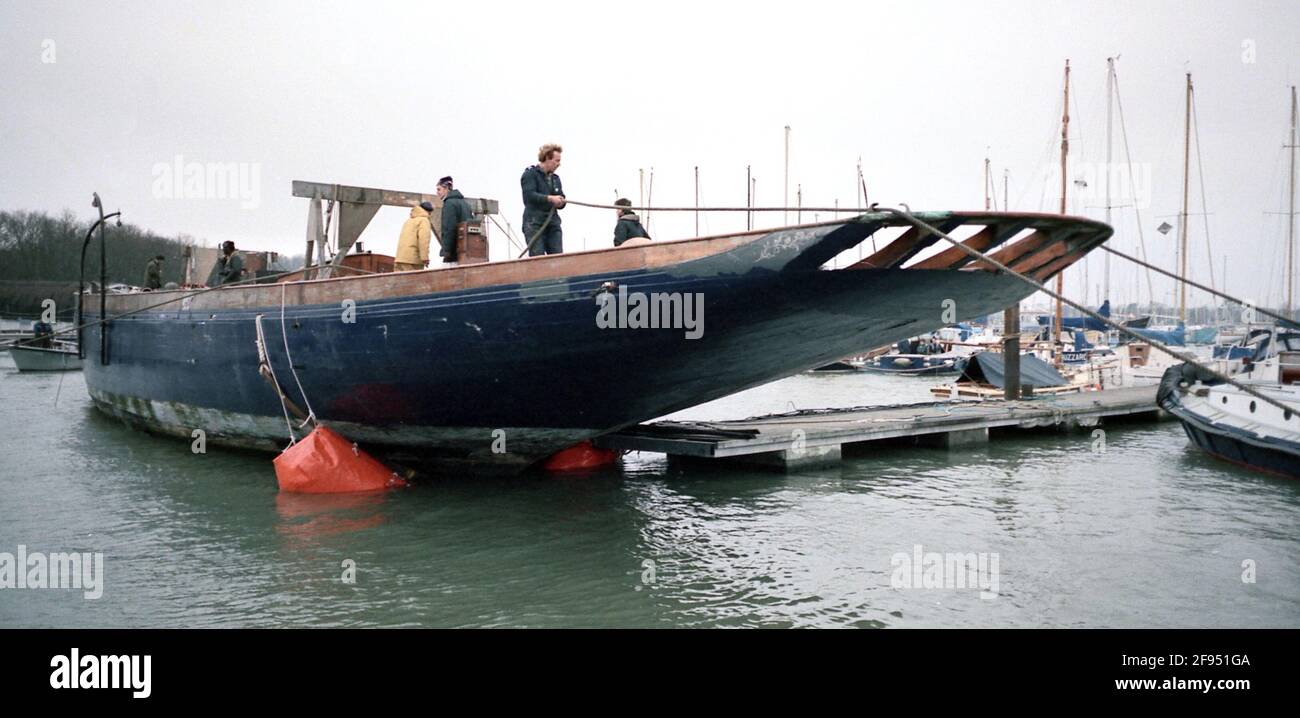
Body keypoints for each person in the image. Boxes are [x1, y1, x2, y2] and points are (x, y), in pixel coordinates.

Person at [520, 143, 565, 256]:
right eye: (556, 160)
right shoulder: (530, 174)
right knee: (538, 258)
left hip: (552, 223)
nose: (559, 164)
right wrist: (550, 199)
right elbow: (529, 197)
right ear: (547, 159)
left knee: (557, 257)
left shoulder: (555, 179)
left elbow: (561, 196)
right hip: (534, 223)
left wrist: (561, 202)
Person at [436, 176, 472, 265]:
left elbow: (449, 228)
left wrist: (446, 251)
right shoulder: (465, 204)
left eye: (439, 189)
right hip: (465, 250)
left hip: (453, 253)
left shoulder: (449, 204)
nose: (437, 193)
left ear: (446, 189)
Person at [395, 201, 433, 271]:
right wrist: (425, 258)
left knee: (398, 281)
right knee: (415, 281)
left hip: (400, 258)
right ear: (429, 212)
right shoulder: (424, 220)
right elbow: (423, 241)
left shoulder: (408, 221)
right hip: (413, 261)